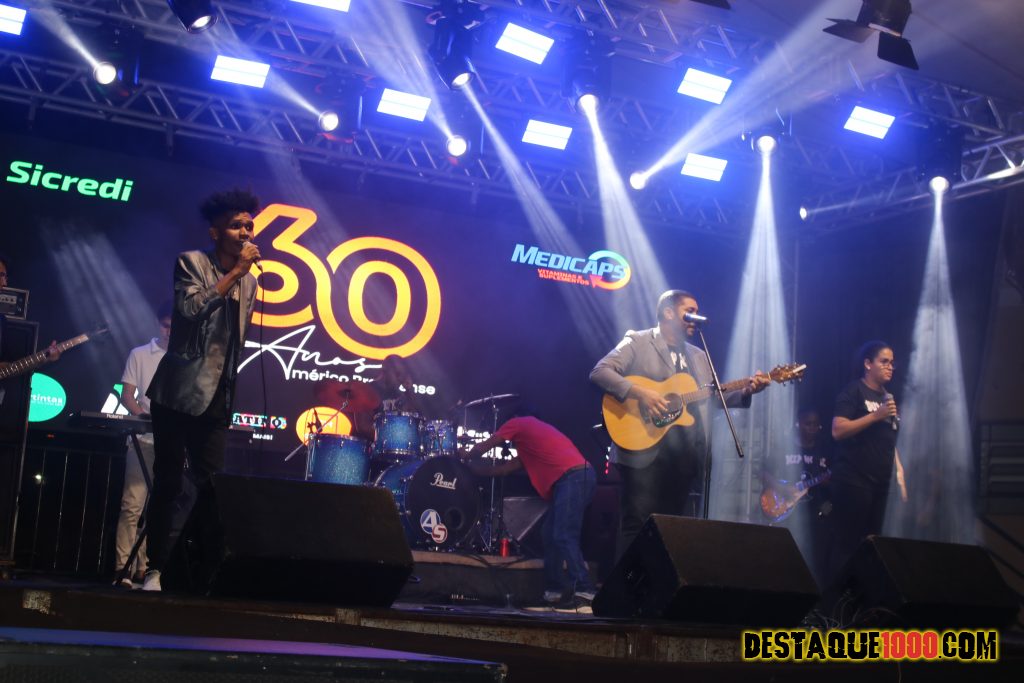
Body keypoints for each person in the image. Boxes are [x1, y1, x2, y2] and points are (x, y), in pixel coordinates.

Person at [590, 289, 770, 557]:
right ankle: (628, 583)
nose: (696, 317)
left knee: (672, 529)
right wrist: (642, 394)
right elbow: (600, 372)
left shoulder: (698, 356)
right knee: (637, 525)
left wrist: (746, 391)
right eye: (690, 311)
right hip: (641, 450)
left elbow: (711, 397)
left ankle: (661, 582)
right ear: (668, 312)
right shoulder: (638, 341)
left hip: (684, 457)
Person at [142, 189, 261, 592]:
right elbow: (191, 311)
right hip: (179, 391)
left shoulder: (251, 282)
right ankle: (155, 569)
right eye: (236, 225)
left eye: (248, 225)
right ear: (215, 232)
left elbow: (236, 343)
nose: (245, 232)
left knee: (213, 489)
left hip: (217, 398)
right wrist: (235, 274)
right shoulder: (191, 262)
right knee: (168, 482)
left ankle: (201, 571)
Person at [460, 408, 596, 608]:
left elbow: (485, 446)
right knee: (549, 534)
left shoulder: (518, 422)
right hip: (577, 477)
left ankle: (586, 590)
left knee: (563, 534)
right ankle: (555, 591)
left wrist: (465, 455)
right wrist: (474, 471)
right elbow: (503, 470)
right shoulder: (531, 444)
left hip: (573, 477)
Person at [824, 340, 907, 587]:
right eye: (884, 361)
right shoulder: (854, 391)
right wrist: (875, 416)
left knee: (875, 543)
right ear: (868, 364)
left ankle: (864, 599)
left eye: (892, 363)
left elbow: (889, 439)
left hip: (881, 481)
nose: (890, 367)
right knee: (847, 544)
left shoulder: (887, 397)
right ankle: (836, 600)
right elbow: (838, 430)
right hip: (853, 479)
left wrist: (900, 475)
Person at [112, 302, 172, 588]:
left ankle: (144, 568)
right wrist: (142, 415)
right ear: (158, 325)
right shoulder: (139, 354)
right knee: (132, 505)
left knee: (157, 508)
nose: (169, 332)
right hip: (142, 438)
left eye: (174, 327)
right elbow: (127, 395)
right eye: (165, 326)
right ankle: (122, 568)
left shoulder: (185, 358)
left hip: (170, 442)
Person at [761, 408, 832, 583]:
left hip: (814, 514)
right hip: (787, 513)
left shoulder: (823, 452)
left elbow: (831, 481)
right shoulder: (784, 447)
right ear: (798, 424)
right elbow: (763, 472)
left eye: (816, 425)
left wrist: (827, 482)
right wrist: (780, 488)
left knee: (813, 559)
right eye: (808, 423)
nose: (812, 428)